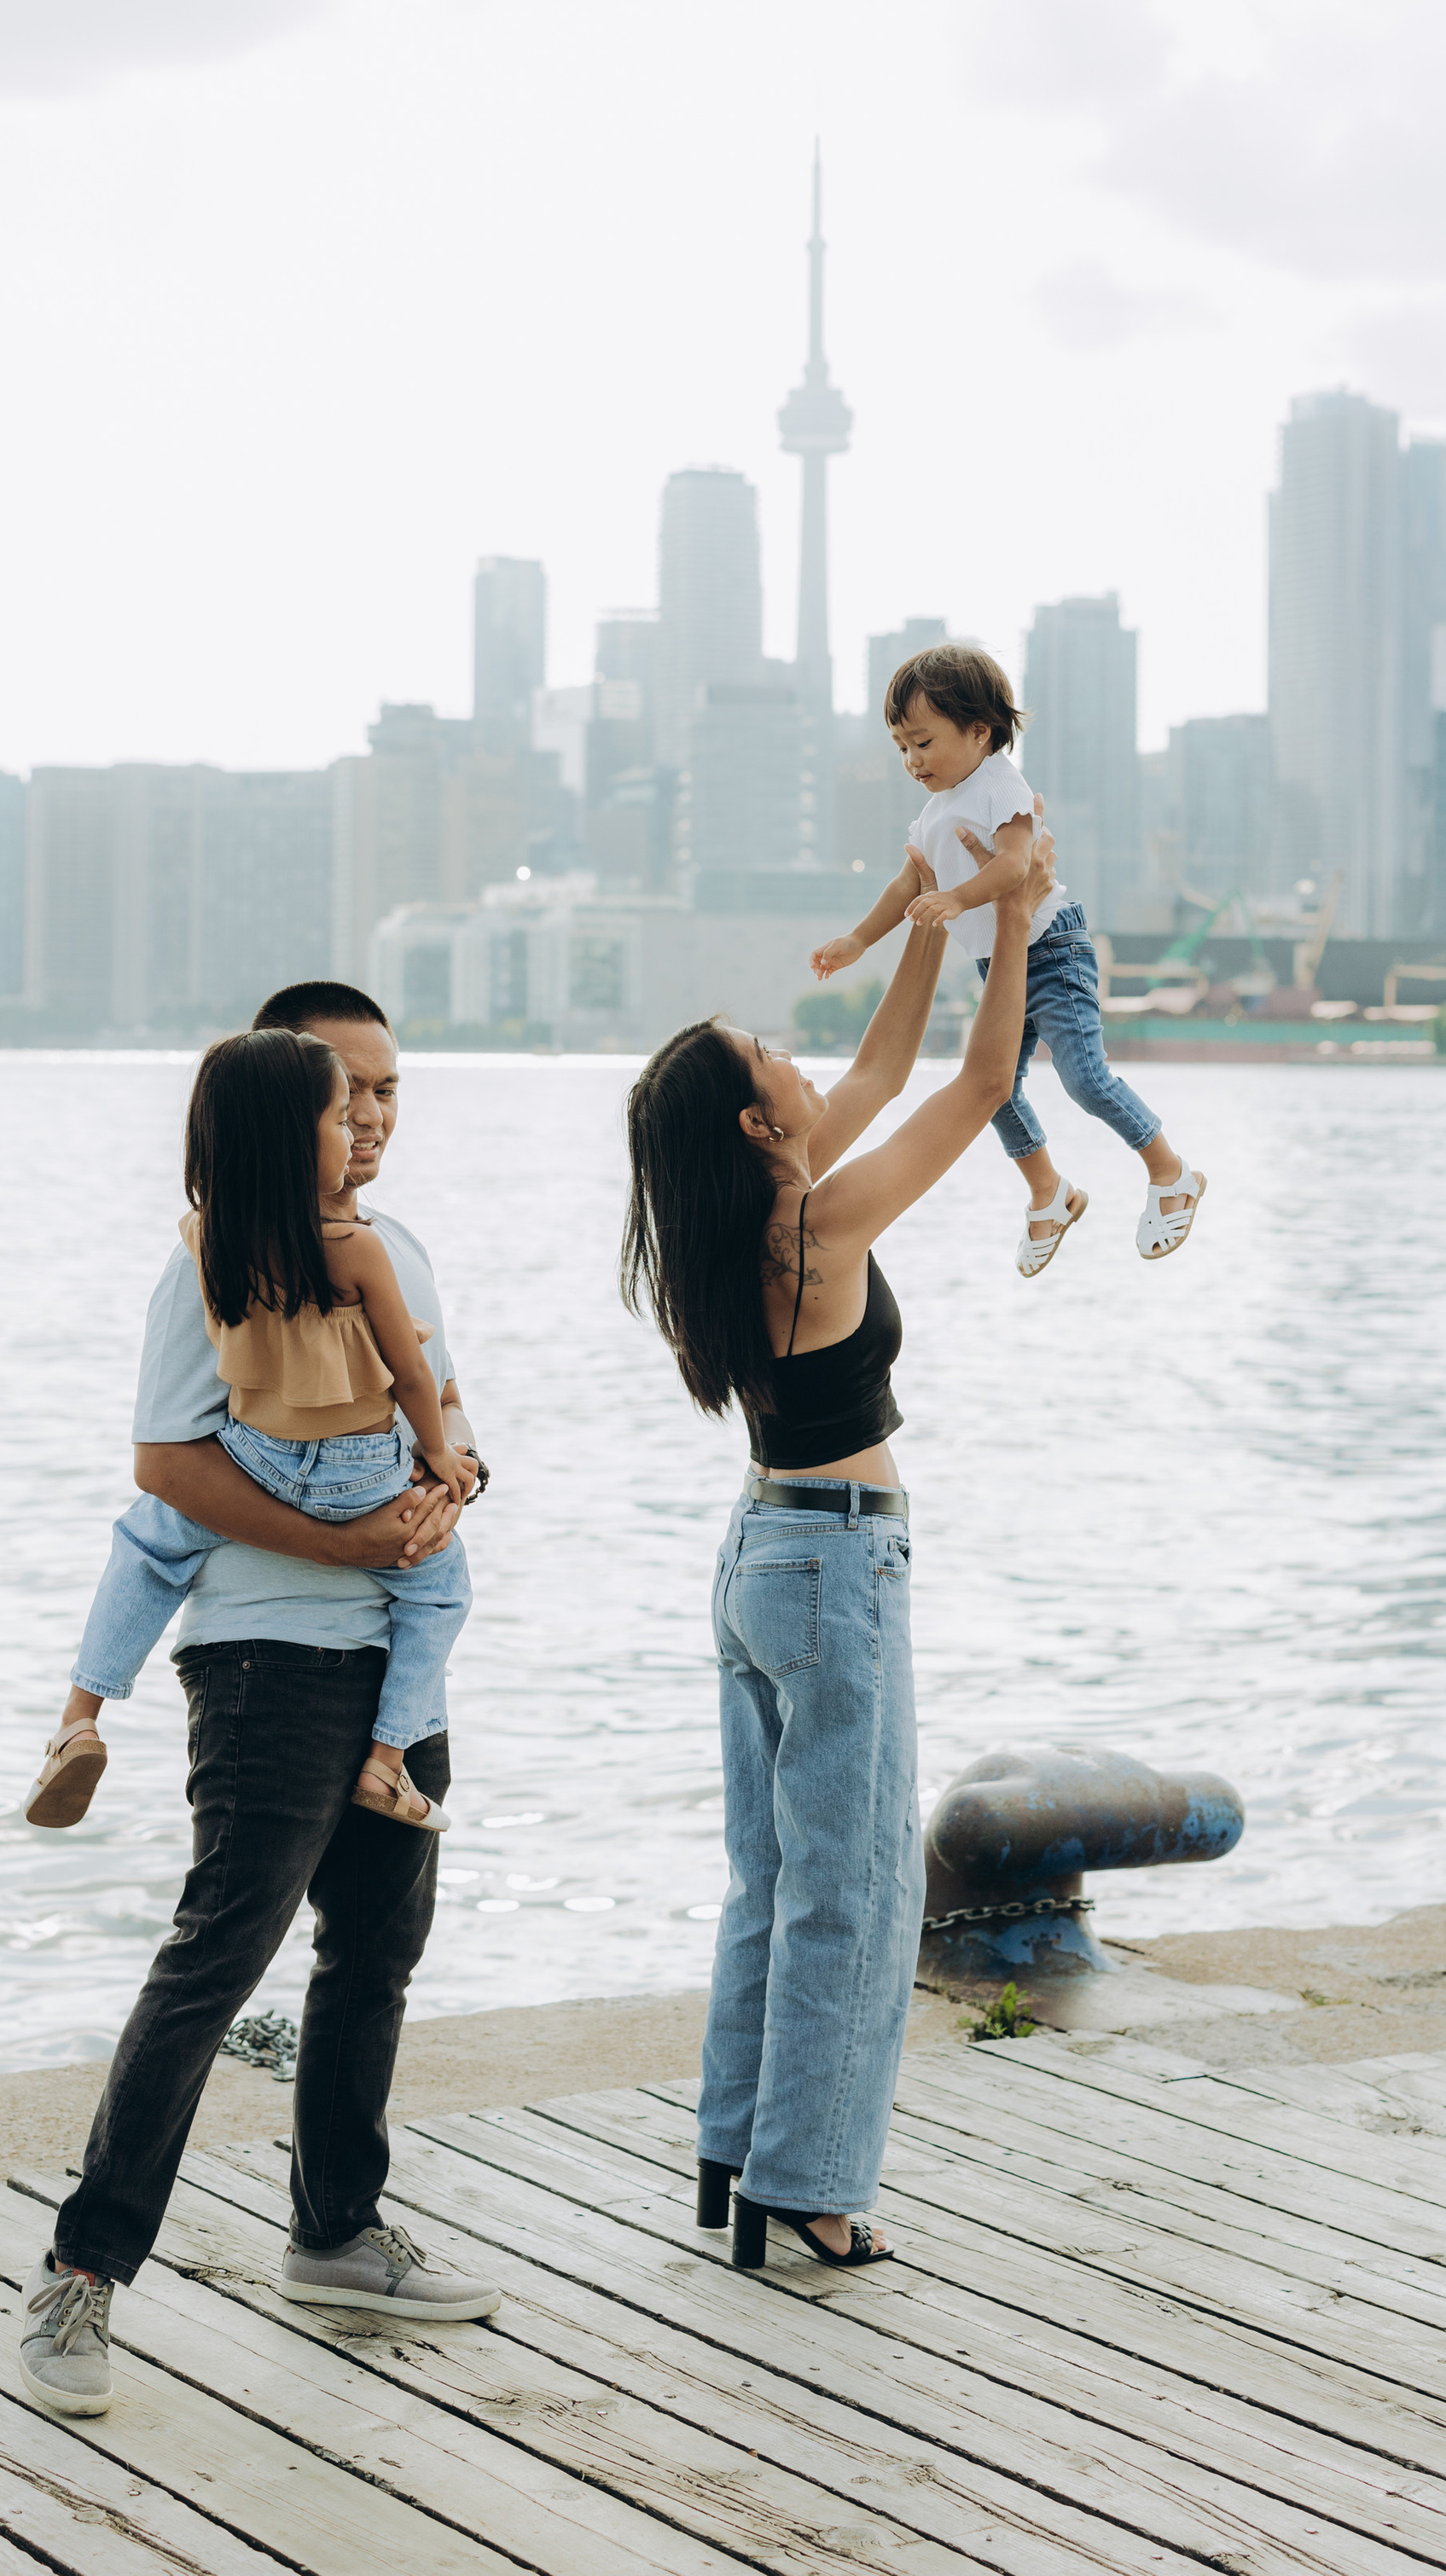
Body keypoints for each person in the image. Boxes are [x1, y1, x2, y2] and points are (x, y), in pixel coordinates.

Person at [18, 982, 501, 2422]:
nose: (369, 1116)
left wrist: (452, 1488)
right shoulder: (207, 1267)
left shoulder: (393, 1248)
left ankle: (337, 2236)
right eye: (342, 1092)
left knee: (376, 1955)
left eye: (388, 1091)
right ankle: (82, 2275)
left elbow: (443, 1415)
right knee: (215, 1961)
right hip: (268, 1664)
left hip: (395, 1666)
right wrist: (351, 1543)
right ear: (279, 1107)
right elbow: (168, 1472)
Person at [621, 825, 1054, 2274]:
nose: (804, 1067)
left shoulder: (750, 1219)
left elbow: (879, 1078)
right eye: (773, 1062)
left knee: (772, 1877)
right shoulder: (814, 1224)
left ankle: (739, 2155)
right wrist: (1024, 922)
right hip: (834, 1570)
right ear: (756, 1125)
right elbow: (981, 1088)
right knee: (857, 1892)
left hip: (762, 1558)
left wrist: (935, 917)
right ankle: (810, 2186)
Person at [25, 1025, 473, 1838]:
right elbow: (418, 1382)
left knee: (149, 1544)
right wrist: (443, 1459)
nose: (360, 1127)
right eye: (341, 1114)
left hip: (259, 1455)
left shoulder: (209, 1240)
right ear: (298, 1138)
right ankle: (388, 1761)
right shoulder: (360, 1249)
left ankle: (80, 1716)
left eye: (382, 1096)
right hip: (361, 1469)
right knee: (440, 1590)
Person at [810, 640, 1204, 1278]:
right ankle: (1050, 1192)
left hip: (1049, 951)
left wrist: (956, 897)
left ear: (978, 730)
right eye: (902, 747)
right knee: (993, 1092)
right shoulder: (935, 813)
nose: (912, 760)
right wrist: (858, 940)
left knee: (1083, 1077)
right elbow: (906, 884)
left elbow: (1017, 866)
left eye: (924, 742)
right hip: (1000, 963)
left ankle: (1171, 1172)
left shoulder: (1001, 786)